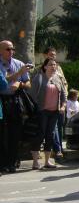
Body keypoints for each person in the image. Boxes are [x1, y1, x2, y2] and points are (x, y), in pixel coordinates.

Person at [0, 40, 32, 173]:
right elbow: (4, 80)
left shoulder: (19, 63)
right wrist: (19, 73)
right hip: (1, 100)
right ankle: (2, 163)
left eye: (12, 49)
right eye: (8, 49)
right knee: (2, 134)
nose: (11, 51)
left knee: (15, 133)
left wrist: (20, 84)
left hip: (15, 100)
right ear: (0, 50)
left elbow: (28, 83)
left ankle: (12, 162)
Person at [29, 58, 67, 169]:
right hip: (42, 112)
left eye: (55, 64)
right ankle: (35, 162)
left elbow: (64, 95)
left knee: (50, 136)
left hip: (54, 112)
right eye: (51, 65)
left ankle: (47, 161)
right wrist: (37, 108)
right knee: (40, 135)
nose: (53, 66)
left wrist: (63, 106)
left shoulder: (58, 79)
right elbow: (32, 96)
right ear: (45, 66)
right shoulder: (39, 78)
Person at [43, 47, 68, 161]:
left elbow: (64, 84)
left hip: (60, 103)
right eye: (50, 54)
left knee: (59, 127)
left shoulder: (59, 68)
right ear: (45, 55)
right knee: (53, 129)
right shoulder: (42, 69)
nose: (52, 56)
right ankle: (57, 151)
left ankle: (58, 150)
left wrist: (64, 102)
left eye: (54, 54)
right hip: (49, 106)